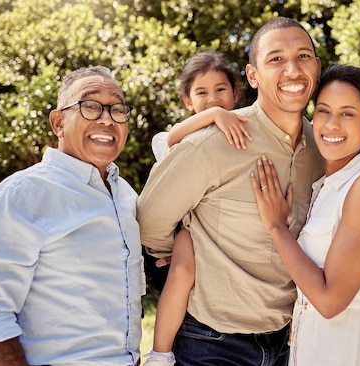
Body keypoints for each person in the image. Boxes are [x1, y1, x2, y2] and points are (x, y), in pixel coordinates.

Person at [137, 17, 323, 365]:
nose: (293, 70)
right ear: (253, 76)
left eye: (303, 56)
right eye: (276, 59)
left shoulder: (324, 149)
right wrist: (182, 252)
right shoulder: (210, 144)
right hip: (211, 343)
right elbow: (149, 222)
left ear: (317, 66)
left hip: (289, 343)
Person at [0, 66, 144, 366]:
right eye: (90, 106)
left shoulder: (126, 196)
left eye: (118, 108)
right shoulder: (24, 194)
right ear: (58, 122)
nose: (107, 118)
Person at [250, 65, 360, 365]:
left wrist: (277, 227)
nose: (331, 125)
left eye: (347, 114)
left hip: (349, 352)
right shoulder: (326, 187)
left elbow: (331, 301)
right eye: (323, 111)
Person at [144, 50, 251, 366]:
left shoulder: (244, 125)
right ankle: (160, 353)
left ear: (235, 93)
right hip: (186, 224)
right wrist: (215, 115)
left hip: (219, 226)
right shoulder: (186, 130)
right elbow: (174, 137)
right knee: (182, 272)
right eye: (201, 93)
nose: (212, 98)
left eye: (220, 90)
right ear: (188, 101)